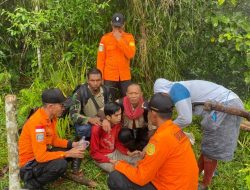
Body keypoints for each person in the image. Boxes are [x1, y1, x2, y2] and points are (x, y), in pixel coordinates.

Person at [154, 78, 244, 190]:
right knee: (208, 146)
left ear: (162, 92)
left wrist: (164, 129)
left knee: (212, 147)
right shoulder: (177, 88)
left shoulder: (176, 90)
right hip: (223, 103)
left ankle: (204, 184)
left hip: (227, 104)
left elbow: (185, 119)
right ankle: (195, 176)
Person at [108, 93, 199, 190]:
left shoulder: (159, 140)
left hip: (171, 186)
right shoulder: (175, 129)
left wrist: (119, 165)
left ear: (154, 114)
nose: (147, 113)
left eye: (148, 111)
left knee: (115, 177)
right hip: (187, 185)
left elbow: (141, 178)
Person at [18, 88, 88, 190]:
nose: (63, 108)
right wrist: (68, 154)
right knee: (61, 164)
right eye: (61, 105)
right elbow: (40, 157)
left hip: (40, 155)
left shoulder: (52, 118)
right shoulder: (38, 125)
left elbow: (54, 140)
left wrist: (73, 145)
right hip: (29, 166)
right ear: (50, 106)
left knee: (69, 152)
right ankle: (31, 185)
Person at [69, 68, 111, 174]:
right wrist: (90, 119)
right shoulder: (80, 93)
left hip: (102, 120)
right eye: (92, 80)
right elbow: (73, 115)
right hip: (87, 123)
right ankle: (76, 162)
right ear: (88, 80)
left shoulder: (106, 91)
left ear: (102, 80)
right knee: (84, 130)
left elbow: (111, 108)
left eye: (98, 80)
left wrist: (106, 119)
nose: (95, 83)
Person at [90, 102, 141, 173]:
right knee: (118, 170)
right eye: (116, 115)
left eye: (120, 114)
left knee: (137, 159)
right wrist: (110, 160)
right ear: (108, 117)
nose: (119, 117)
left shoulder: (116, 124)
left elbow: (117, 142)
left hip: (114, 152)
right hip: (101, 157)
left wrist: (128, 153)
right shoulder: (96, 129)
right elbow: (94, 153)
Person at [97, 12, 136, 99]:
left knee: (127, 100)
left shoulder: (129, 38)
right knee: (108, 100)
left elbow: (131, 54)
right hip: (109, 76)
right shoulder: (105, 39)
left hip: (125, 76)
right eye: (115, 26)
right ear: (111, 24)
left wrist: (120, 40)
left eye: (119, 26)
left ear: (123, 24)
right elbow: (100, 59)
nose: (117, 29)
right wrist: (100, 77)